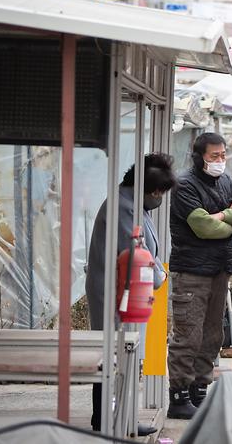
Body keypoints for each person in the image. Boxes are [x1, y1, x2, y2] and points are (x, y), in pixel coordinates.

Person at [86, 153, 176, 436]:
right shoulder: (124, 208)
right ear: (146, 189)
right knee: (113, 357)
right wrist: (160, 275)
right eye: (157, 191)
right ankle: (107, 418)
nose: (159, 197)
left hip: (126, 294)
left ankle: (116, 417)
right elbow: (137, 256)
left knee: (121, 356)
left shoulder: (132, 204)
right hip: (115, 294)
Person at [167, 133, 232, 419]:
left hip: (218, 268)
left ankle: (200, 389)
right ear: (199, 156)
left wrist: (222, 217)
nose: (220, 161)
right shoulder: (185, 185)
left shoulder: (225, 181)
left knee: (213, 334)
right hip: (191, 270)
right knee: (188, 334)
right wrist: (230, 219)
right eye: (214, 156)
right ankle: (178, 396)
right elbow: (203, 228)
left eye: (223, 155)